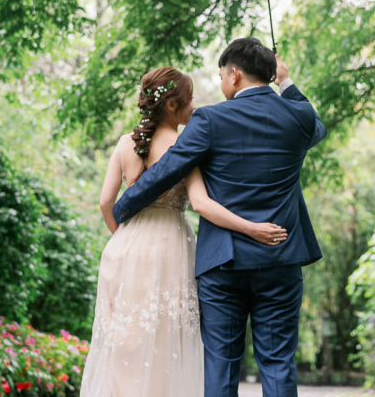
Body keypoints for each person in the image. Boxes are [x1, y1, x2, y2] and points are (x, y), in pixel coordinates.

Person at [112, 37, 327, 397]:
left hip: (222, 264)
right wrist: (286, 82)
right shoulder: (299, 118)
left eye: (222, 74)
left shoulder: (210, 119)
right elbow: (316, 125)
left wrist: (122, 209)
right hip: (280, 257)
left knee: (221, 367)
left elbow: (166, 171)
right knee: (278, 363)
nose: (223, 81)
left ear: (234, 74)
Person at [80, 65, 289, 397]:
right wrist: (251, 229)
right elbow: (202, 204)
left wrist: (124, 239)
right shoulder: (185, 146)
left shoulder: (124, 143)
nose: (194, 107)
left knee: (124, 344)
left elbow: (106, 202)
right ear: (171, 105)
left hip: (124, 248)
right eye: (189, 100)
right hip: (170, 250)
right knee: (167, 344)